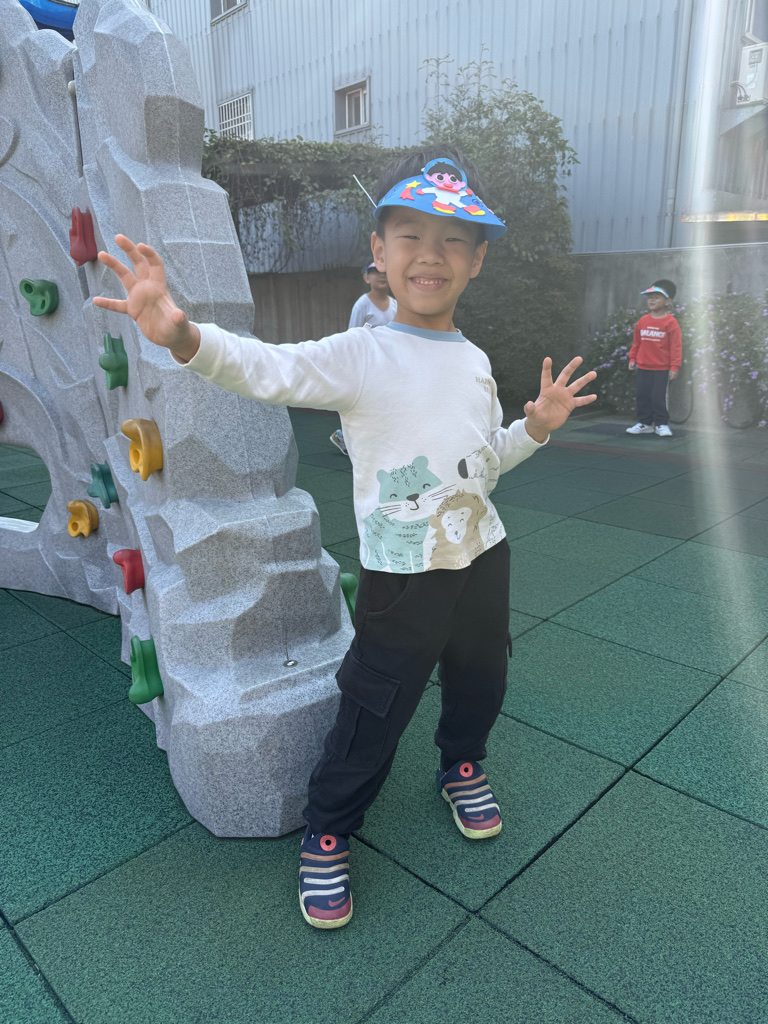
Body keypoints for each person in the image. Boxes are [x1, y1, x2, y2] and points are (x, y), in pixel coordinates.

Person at [93, 145, 597, 931]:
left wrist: (533, 428)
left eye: (453, 241)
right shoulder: (363, 353)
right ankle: (329, 826)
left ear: (477, 261)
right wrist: (181, 334)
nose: (430, 255)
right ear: (379, 253)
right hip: (404, 573)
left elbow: (483, 464)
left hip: (482, 554)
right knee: (375, 702)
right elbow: (269, 369)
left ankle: (462, 763)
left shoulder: (474, 361)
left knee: (482, 676)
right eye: (410, 237)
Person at [330, 263, 397, 455]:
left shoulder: (395, 305)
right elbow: (352, 335)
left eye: (385, 272)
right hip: (368, 365)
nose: (381, 276)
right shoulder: (362, 304)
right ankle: (343, 436)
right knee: (368, 405)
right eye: (375, 273)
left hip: (389, 365)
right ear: (367, 278)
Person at [626, 279, 682, 437]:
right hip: (643, 367)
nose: (652, 300)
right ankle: (645, 423)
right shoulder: (643, 321)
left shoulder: (671, 323)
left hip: (662, 369)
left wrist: (674, 367)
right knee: (642, 396)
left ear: (667, 301)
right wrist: (632, 358)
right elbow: (637, 342)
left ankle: (661, 424)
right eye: (650, 297)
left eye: (657, 297)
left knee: (658, 398)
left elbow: (676, 347)